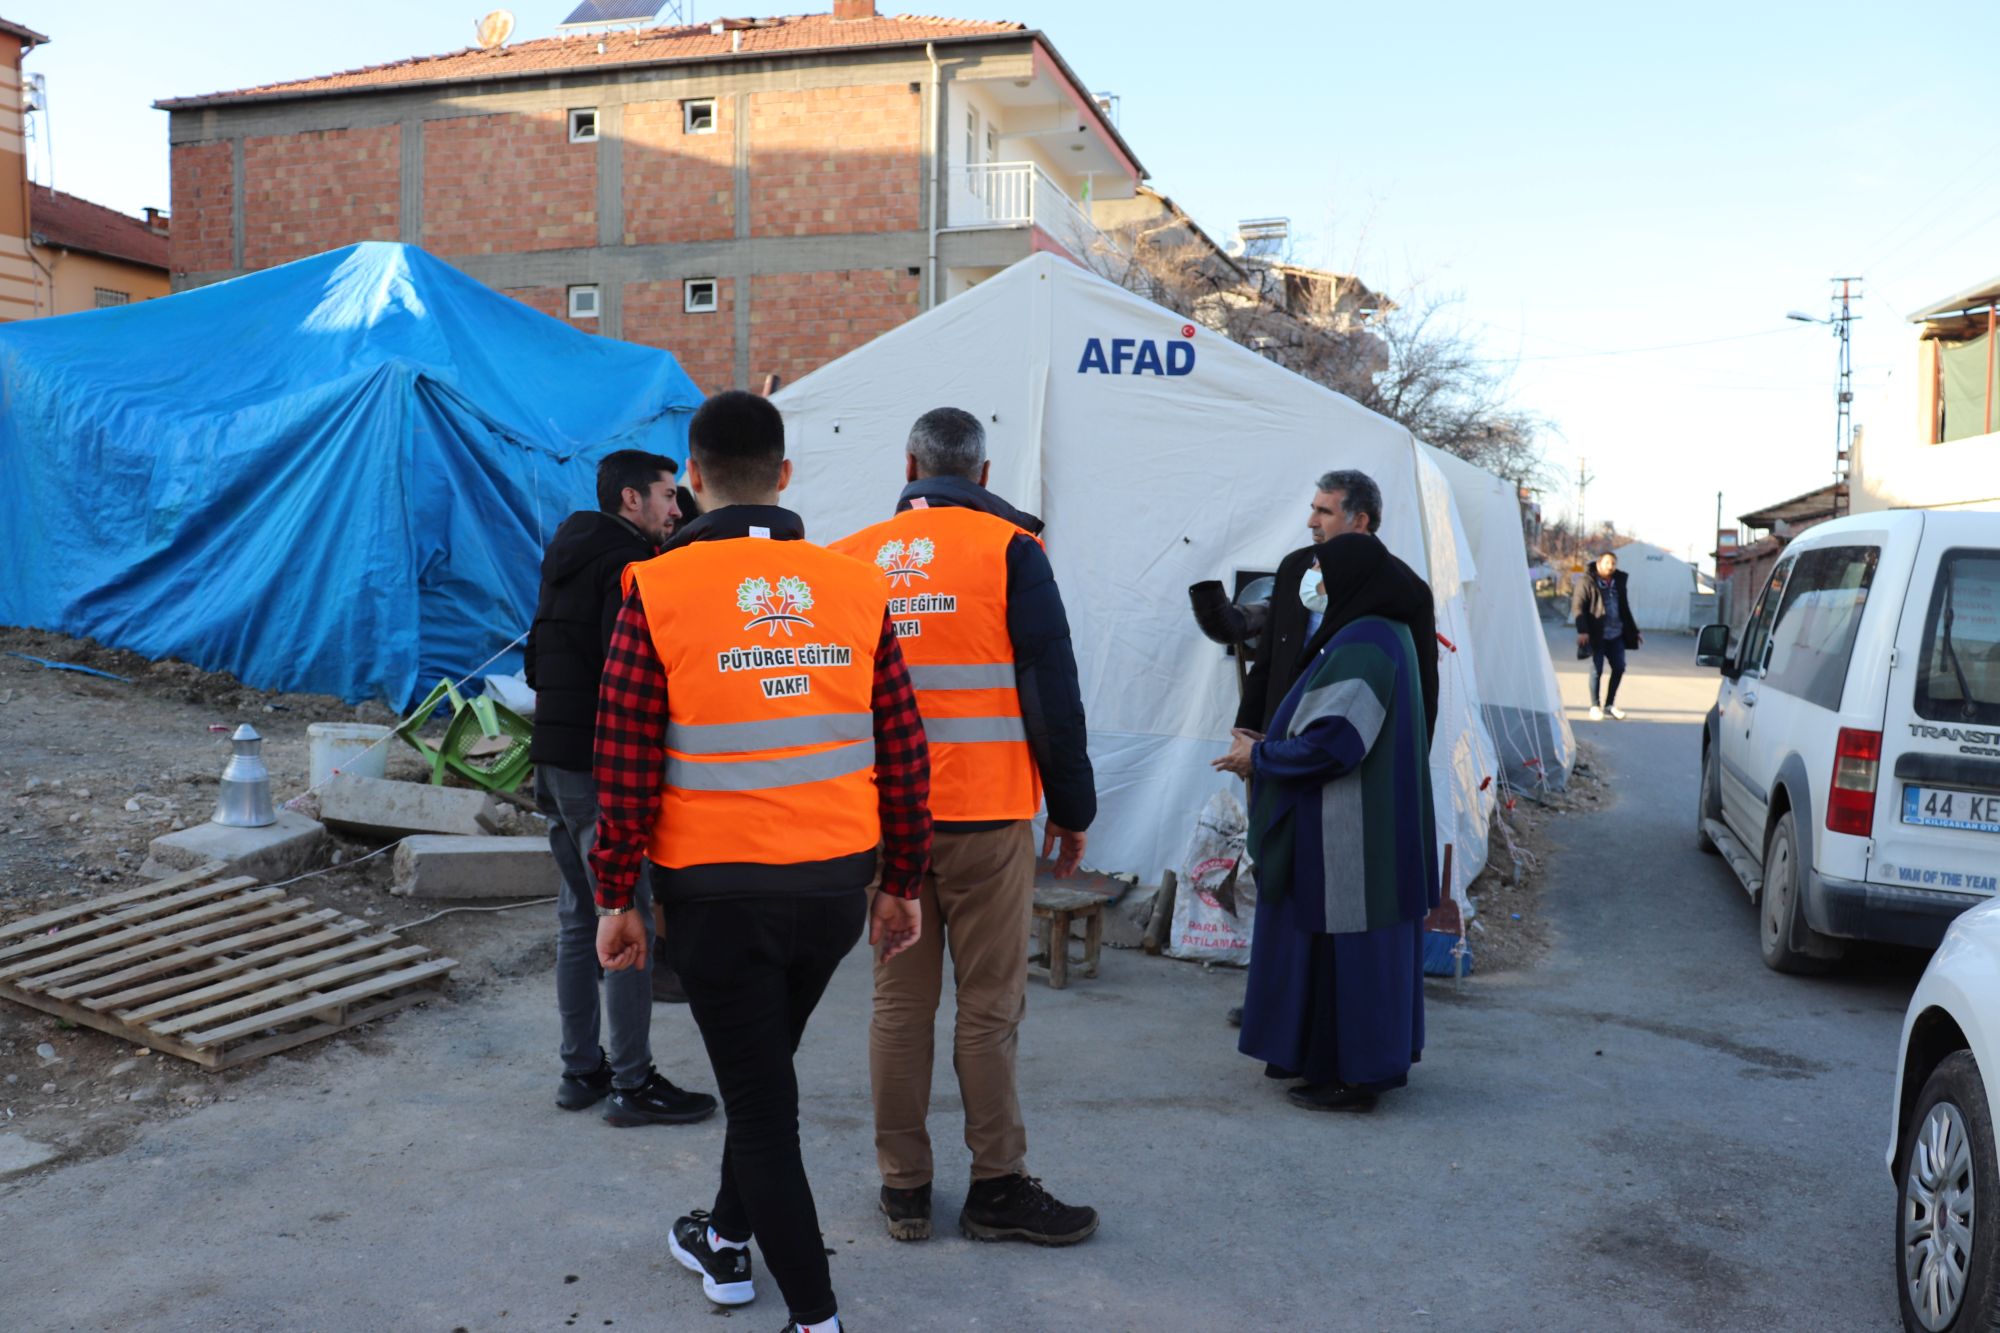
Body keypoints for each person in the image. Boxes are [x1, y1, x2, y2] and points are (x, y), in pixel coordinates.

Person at [590, 390, 932, 1333]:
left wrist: (615, 895)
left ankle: (817, 1319)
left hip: (717, 897)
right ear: (785, 476)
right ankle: (726, 1242)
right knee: (761, 1076)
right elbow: (903, 751)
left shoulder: (656, 591)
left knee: (762, 1103)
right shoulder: (859, 587)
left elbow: (624, 760)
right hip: (830, 890)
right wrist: (900, 881)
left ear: (693, 480)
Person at [830, 406, 1099, 1249]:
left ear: (909, 463)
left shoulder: (848, 559)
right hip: (986, 818)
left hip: (885, 824)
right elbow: (1050, 689)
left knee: (898, 1008)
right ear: (983, 475)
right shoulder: (1012, 549)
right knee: (989, 1007)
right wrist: (1074, 806)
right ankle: (997, 1187)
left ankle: (904, 1189)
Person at [1189, 470, 1438, 1027]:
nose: (1311, 521)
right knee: (1279, 884)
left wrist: (1403, 768)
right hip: (1281, 757)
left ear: (1360, 520)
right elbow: (1270, 658)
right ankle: (1276, 1002)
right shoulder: (1301, 568)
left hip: (1344, 767)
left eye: (1324, 511)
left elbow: (1422, 689)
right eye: (1313, 508)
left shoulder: (1402, 594)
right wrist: (1249, 730)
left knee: (1338, 905)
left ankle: (1316, 1026)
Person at [523, 449, 716, 1127]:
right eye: (668, 495)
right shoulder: (631, 568)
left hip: (550, 757)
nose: (677, 509)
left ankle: (582, 1070)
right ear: (631, 499)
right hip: (599, 770)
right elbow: (635, 678)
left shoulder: (566, 556)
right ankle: (633, 1083)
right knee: (625, 919)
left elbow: (535, 660)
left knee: (580, 919)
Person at [1571, 551, 1642, 720]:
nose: (1611, 567)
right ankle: (1595, 706)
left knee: (1619, 667)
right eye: (1607, 563)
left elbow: (1625, 607)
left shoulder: (1618, 582)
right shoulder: (1587, 581)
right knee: (1597, 669)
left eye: (1614, 563)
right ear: (1598, 564)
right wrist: (1582, 631)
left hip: (1616, 633)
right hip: (1597, 633)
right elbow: (1578, 605)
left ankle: (1609, 705)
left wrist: (1634, 630)